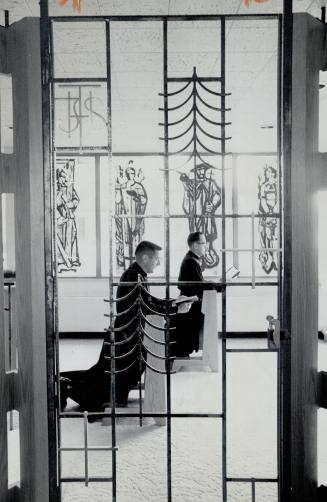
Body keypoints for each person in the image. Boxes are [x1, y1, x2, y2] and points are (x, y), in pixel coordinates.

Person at [60, 240, 193, 412]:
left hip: (126, 336)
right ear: (145, 258)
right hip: (124, 340)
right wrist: (175, 308)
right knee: (104, 389)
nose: (158, 263)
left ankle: (63, 381)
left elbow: (148, 302)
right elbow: (146, 307)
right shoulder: (133, 277)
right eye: (156, 259)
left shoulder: (138, 274)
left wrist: (174, 303)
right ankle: (65, 385)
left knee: (103, 379)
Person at [174, 231, 221, 357]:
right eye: (204, 243)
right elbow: (198, 285)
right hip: (189, 304)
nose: (206, 246)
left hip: (190, 302)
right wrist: (218, 285)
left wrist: (213, 283)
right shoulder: (191, 261)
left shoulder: (192, 259)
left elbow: (198, 282)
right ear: (195, 245)